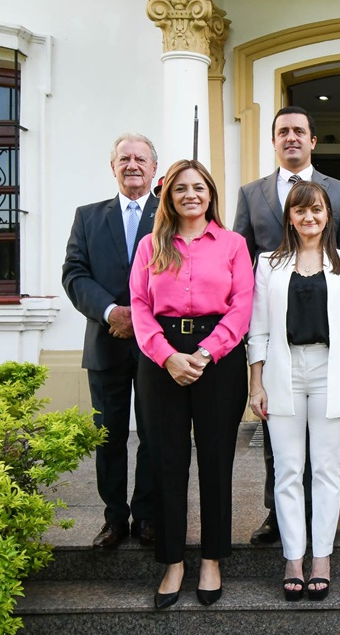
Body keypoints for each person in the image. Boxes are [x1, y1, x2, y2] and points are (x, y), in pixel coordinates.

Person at [233, 105, 340, 545]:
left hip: (326, 342)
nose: (291, 137)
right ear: (273, 140)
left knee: (325, 458)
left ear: (312, 140)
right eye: (283, 131)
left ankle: (321, 528)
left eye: (299, 131)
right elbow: (241, 263)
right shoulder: (251, 193)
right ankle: (279, 515)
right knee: (281, 449)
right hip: (277, 339)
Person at [129, 159, 253, 609]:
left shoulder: (233, 244)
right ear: (169, 196)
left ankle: (212, 559)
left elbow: (242, 305)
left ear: (210, 194)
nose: (190, 195)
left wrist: (204, 353)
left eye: (199, 187)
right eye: (181, 188)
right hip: (161, 358)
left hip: (217, 358)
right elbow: (139, 306)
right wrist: (167, 356)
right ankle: (173, 561)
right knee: (167, 460)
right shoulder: (150, 245)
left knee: (216, 461)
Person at [247, 181, 340, 602]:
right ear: (290, 218)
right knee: (287, 470)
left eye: (316, 209)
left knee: (326, 469)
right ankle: (293, 558)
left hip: (329, 370)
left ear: (328, 215)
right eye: (300, 211)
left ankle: (322, 558)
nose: (309, 217)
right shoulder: (269, 263)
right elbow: (258, 329)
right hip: (283, 371)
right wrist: (256, 384)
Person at [62, 132, 158, 550]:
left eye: (140, 158)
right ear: (113, 166)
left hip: (156, 346)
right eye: (124, 158)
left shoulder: (171, 214)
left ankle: (148, 516)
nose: (132, 165)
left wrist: (140, 317)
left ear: (154, 168)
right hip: (106, 343)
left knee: (154, 435)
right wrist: (110, 312)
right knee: (109, 437)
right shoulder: (88, 217)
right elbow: (74, 273)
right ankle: (114, 519)